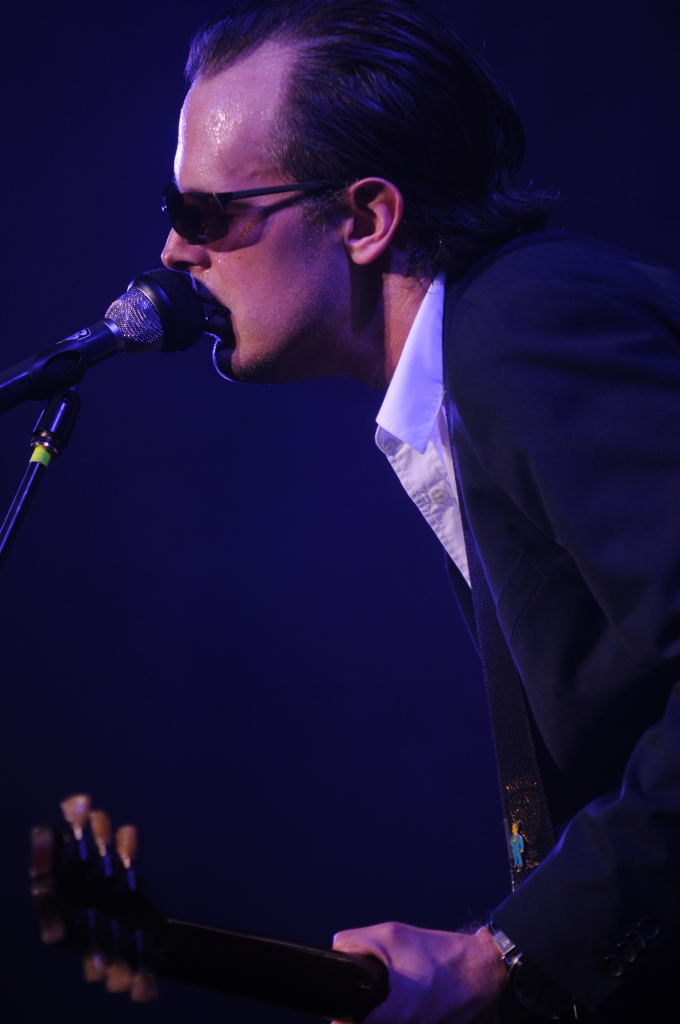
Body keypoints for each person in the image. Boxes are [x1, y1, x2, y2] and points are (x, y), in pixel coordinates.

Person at [160, 1, 680, 1020]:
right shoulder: (468, 370)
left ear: (364, 219)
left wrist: (505, 955)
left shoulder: (525, 325)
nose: (175, 252)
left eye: (205, 213)